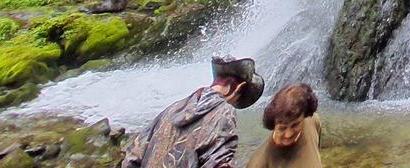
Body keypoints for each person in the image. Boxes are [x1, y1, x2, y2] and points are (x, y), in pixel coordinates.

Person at [122, 56, 265, 168]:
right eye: (238, 100)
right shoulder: (223, 111)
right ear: (239, 88)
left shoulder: (172, 108)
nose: (233, 104)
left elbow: (132, 157)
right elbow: (218, 162)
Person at [247, 83, 322, 168]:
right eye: (282, 128)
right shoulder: (259, 163)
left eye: (295, 125)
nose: (288, 134)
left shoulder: (313, 122)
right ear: (273, 125)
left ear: (304, 116)